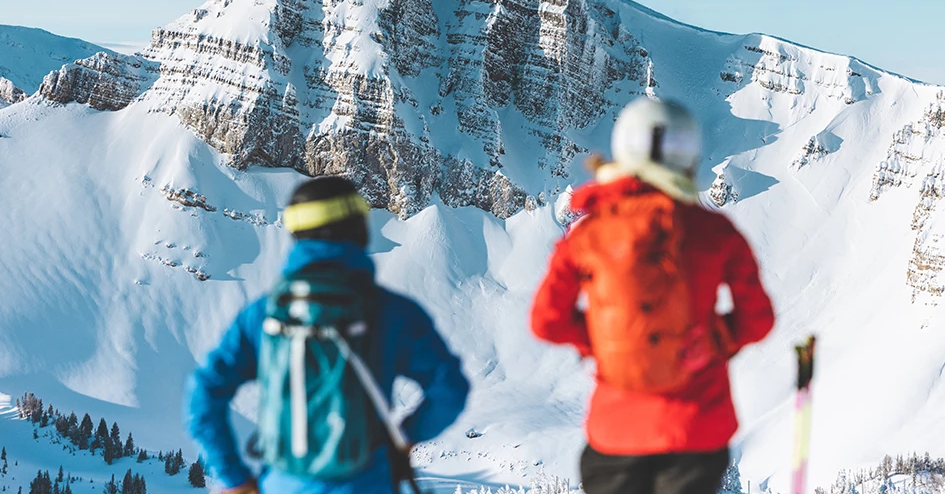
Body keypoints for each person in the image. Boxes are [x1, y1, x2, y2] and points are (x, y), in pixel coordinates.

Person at [530, 97, 775, 494]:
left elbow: (547, 321)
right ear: (688, 156)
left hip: (615, 432)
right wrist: (714, 339)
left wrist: (606, 340)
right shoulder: (715, 232)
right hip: (695, 433)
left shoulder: (588, 235)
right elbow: (758, 320)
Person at [185, 176, 470, 494]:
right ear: (359, 230)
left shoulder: (263, 314)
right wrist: (405, 436)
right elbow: (450, 389)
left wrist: (234, 478)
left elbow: (204, 394)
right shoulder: (393, 313)